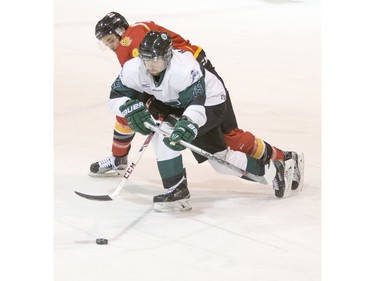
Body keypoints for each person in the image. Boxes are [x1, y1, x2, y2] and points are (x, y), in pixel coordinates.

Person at [91, 11, 303, 191]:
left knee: (228, 140)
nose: (110, 46)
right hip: (192, 80)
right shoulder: (136, 32)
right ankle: (283, 158)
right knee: (231, 138)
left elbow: (151, 78)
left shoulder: (129, 41)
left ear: (119, 31)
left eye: (110, 40)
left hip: (198, 82)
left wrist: (153, 107)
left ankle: (282, 160)